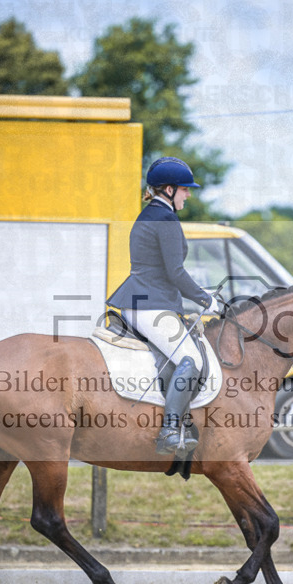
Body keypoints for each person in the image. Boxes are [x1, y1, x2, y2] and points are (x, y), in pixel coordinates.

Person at [106, 157, 222, 456]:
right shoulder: (166, 219)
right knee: (190, 360)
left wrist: (201, 293)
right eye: (185, 189)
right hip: (150, 305)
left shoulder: (150, 214)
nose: (188, 194)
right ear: (169, 190)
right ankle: (170, 430)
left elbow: (160, 270)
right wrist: (205, 300)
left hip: (142, 299)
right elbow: (175, 272)